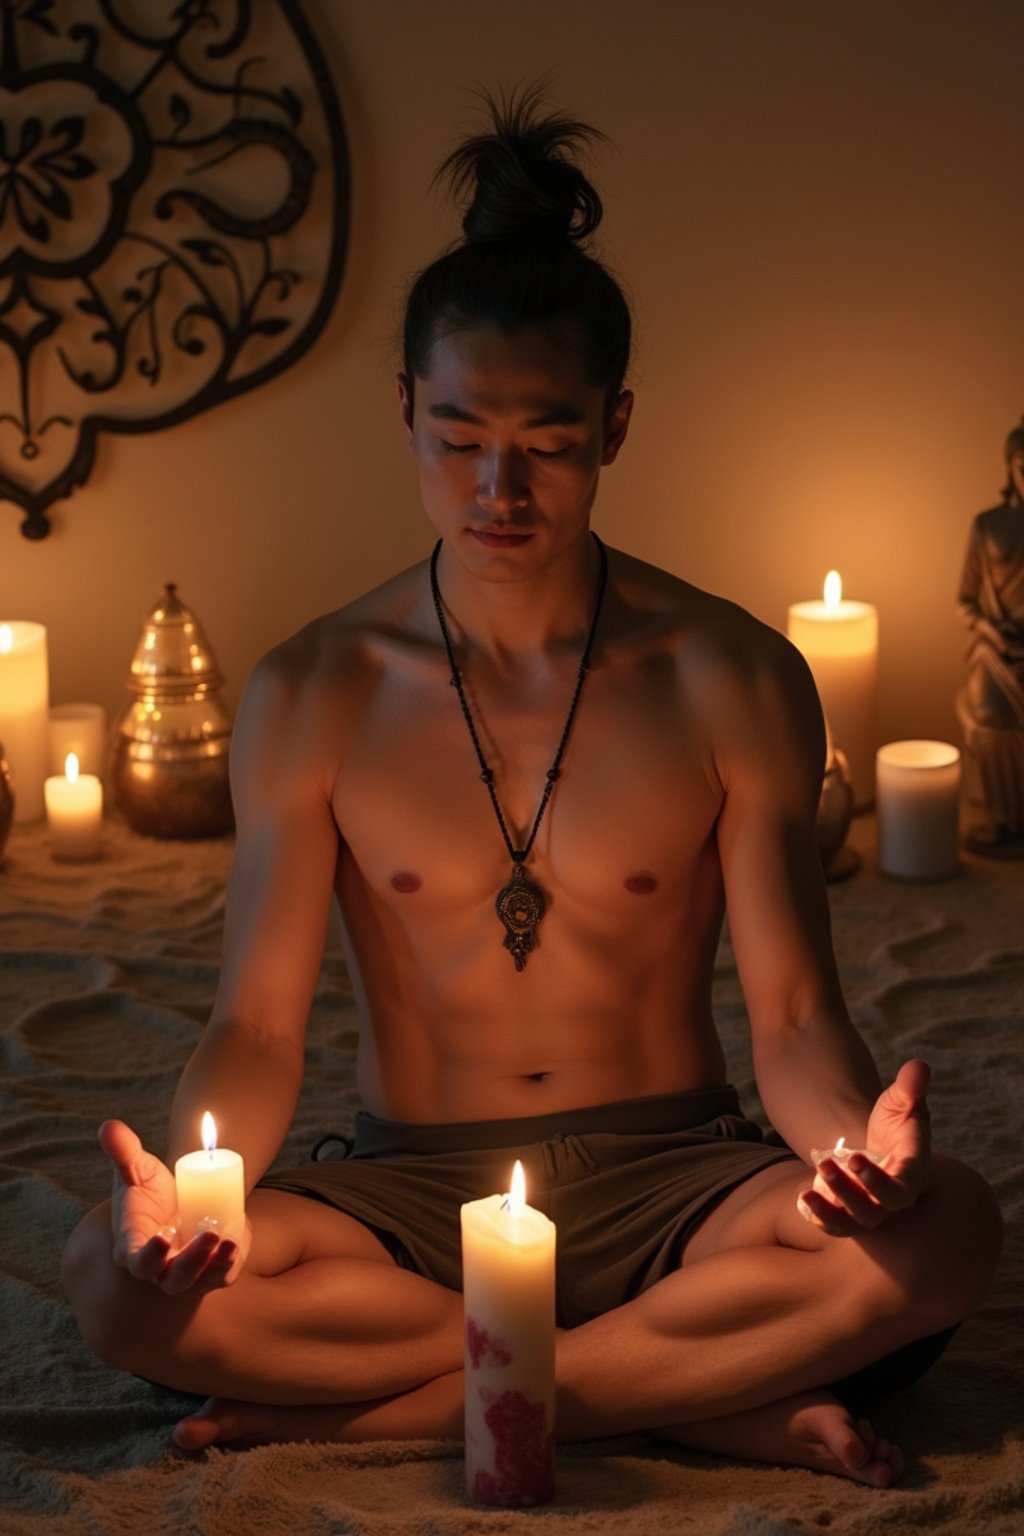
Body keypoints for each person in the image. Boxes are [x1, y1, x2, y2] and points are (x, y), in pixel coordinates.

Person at [63, 89, 1002, 1488]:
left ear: (616, 426)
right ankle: (698, 1394)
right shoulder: (313, 687)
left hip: (679, 1176)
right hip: (407, 1191)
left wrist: (852, 1155)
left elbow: (798, 1012)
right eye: (457, 436)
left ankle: (390, 1411)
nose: (499, 485)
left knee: (946, 1236)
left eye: (549, 442)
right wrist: (181, 1207)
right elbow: (255, 1030)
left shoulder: (731, 674)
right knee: (112, 1280)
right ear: (404, 412)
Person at [957, 423, 1024, 852]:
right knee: (987, 714)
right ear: (1010, 469)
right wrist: (992, 633)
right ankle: (1005, 819)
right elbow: (965, 601)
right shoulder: (988, 525)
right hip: (999, 651)